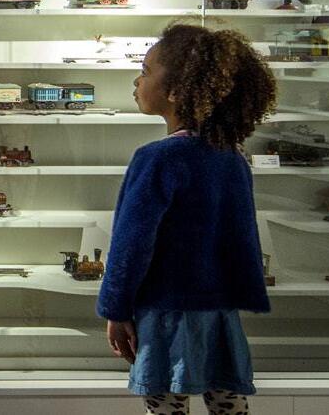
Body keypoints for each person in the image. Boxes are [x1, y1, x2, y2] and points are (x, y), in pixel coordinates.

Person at [98, 22, 277, 414]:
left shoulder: (156, 158)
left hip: (166, 309)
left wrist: (115, 309)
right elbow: (242, 237)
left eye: (145, 71)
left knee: (165, 403)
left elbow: (131, 244)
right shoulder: (231, 157)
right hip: (218, 311)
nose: (137, 81)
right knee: (228, 403)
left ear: (176, 91)